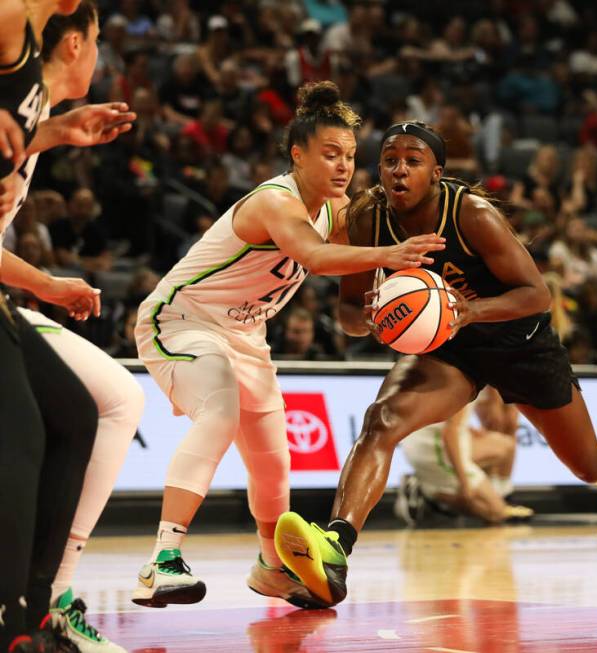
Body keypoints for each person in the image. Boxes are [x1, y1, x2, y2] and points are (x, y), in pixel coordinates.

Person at [274, 121, 597, 609]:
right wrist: (370, 317)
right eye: (390, 160)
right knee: (381, 421)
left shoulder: (470, 212)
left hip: (520, 342)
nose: (399, 171)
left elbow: (537, 294)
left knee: (585, 465)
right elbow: (348, 314)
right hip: (448, 348)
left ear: (437, 173)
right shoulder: (367, 218)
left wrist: (471, 310)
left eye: (413, 161)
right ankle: (335, 548)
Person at [130, 82, 444, 610]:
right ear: (297, 155)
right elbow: (316, 257)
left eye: (349, 155)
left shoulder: (337, 205)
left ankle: (272, 569)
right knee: (220, 410)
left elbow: (356, 257)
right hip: (183, 320)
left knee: (274, 462)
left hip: (246, 335)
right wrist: (395, 254)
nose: (344, 166)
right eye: (329, 154)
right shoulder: (275, 201)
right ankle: (162, 560)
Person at [0, 1, 135, 649]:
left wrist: (58, 131)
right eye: (100, 39)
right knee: (42, 427)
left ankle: (45, 596)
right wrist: (49, 283)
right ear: (77, 43)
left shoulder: (28, 105)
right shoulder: (13, 61)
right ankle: (28, 606)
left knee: (100, 405)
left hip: (6, 298)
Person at [395, 390, 532, 525]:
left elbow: (446, 421)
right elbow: (450, 435)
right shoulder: (465, 385)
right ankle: (428, 494)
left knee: (503, 445)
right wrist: (465, 482)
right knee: (496, 512)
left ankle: (491, 493)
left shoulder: (460, 376)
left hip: (420, 437)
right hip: (433, 448)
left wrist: (469, 430)